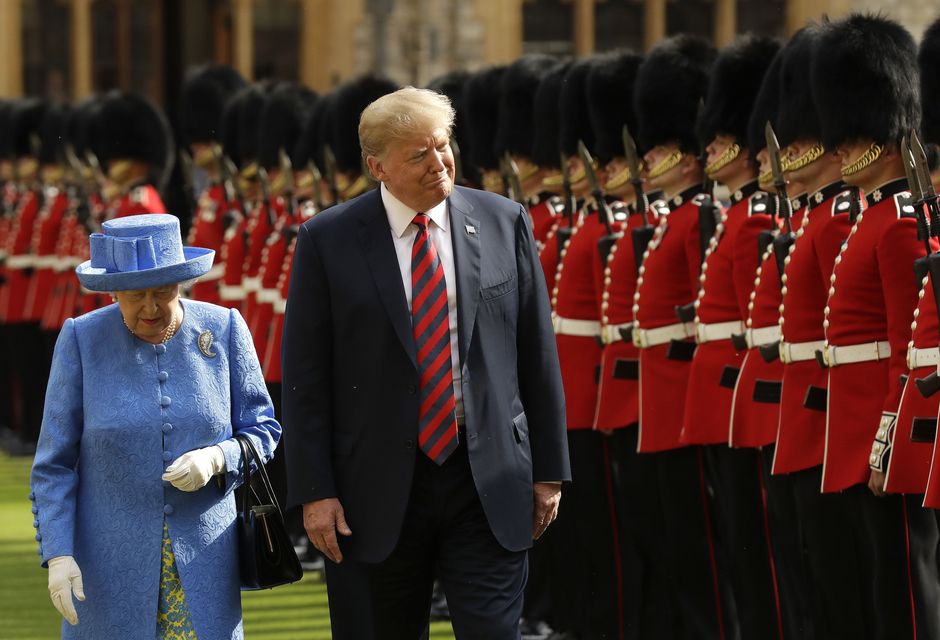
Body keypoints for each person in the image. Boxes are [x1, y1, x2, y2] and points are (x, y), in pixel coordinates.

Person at [282, 86, 570, 639]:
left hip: (486, 479)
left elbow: (536, 353)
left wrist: (550, 469)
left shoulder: (503, 220)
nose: (439, 163)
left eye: (442, 146)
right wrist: (314, 492)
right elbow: (306, 379)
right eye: (418, 154)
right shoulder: (328, 239)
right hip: (373, 490)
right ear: (377, 166)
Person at [29, 213, 282, 639]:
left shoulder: (224, 329)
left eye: (162, 291)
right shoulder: (81, 340)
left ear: (181, 282)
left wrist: (219, 456)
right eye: (135, 295)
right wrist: (58, 553)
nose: (150, 307)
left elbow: (264, 429)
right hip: (108, 569)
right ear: (112, 294)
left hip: (206, 562)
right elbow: (54, 465)